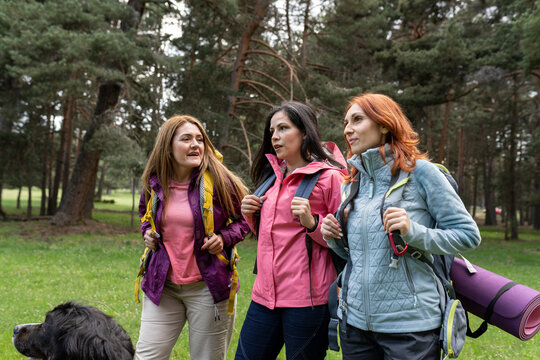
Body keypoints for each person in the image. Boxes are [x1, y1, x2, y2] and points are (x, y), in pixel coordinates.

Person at [321, 93, 481, 359]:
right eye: (346, 122)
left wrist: (412, 231)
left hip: (411, 328)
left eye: (357, 119)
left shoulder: (421, 172)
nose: (348, 129)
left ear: (384, 124)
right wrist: (333, 237)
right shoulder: (350, 184)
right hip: (356, 324)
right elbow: (358, 257)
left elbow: (468, 235)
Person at [235, 101, 348, 360]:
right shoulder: (272, 178)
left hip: (308, 302)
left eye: (283, 128)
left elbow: (346, 240)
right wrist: (251, 214)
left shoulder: (330, 178)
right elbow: (271, 235)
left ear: (305, 132)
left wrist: (312, 223)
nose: (274, 136)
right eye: (272, 130)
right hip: (264, 297)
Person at [135, 115, 250, 360]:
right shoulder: (154, 182)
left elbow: (245, 220)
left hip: (208, 288)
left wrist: (224, 237)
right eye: (186, 139)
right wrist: (147, 233)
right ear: (168, 147)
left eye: (200, 139)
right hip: (163, 286)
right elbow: (145, 214)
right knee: (146, 356)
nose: (195, 144)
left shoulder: (219, 180)